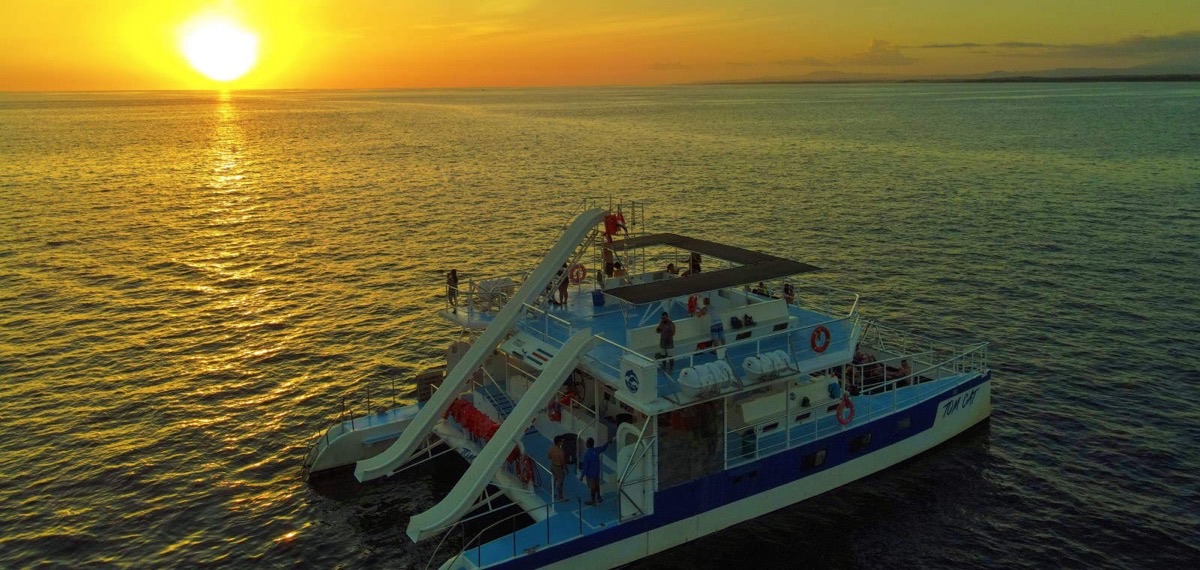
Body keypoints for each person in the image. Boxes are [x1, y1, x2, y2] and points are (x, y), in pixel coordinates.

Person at [580, 437, 610, 506]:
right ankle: (599, 497)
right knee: (597, 485)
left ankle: (593, 501)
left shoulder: (587, 454)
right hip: (596, 473)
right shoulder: (596, 450)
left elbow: (585, 467)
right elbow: (603, 448)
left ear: (587, 444)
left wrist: (582, 476)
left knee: (592, 487)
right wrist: (608, 442)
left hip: (590, 475)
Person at [549, 436, 567, 501]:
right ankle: (560, 497)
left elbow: (549, 456)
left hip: (553, 465)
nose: (562, 442)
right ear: (559, 442)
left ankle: (552, 493)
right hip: (559, 468)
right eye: (561, 441)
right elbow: (563, 462)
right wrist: (566, 469)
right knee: (560, 482)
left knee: (553, 480)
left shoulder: (551, 449)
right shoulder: (560, 451)